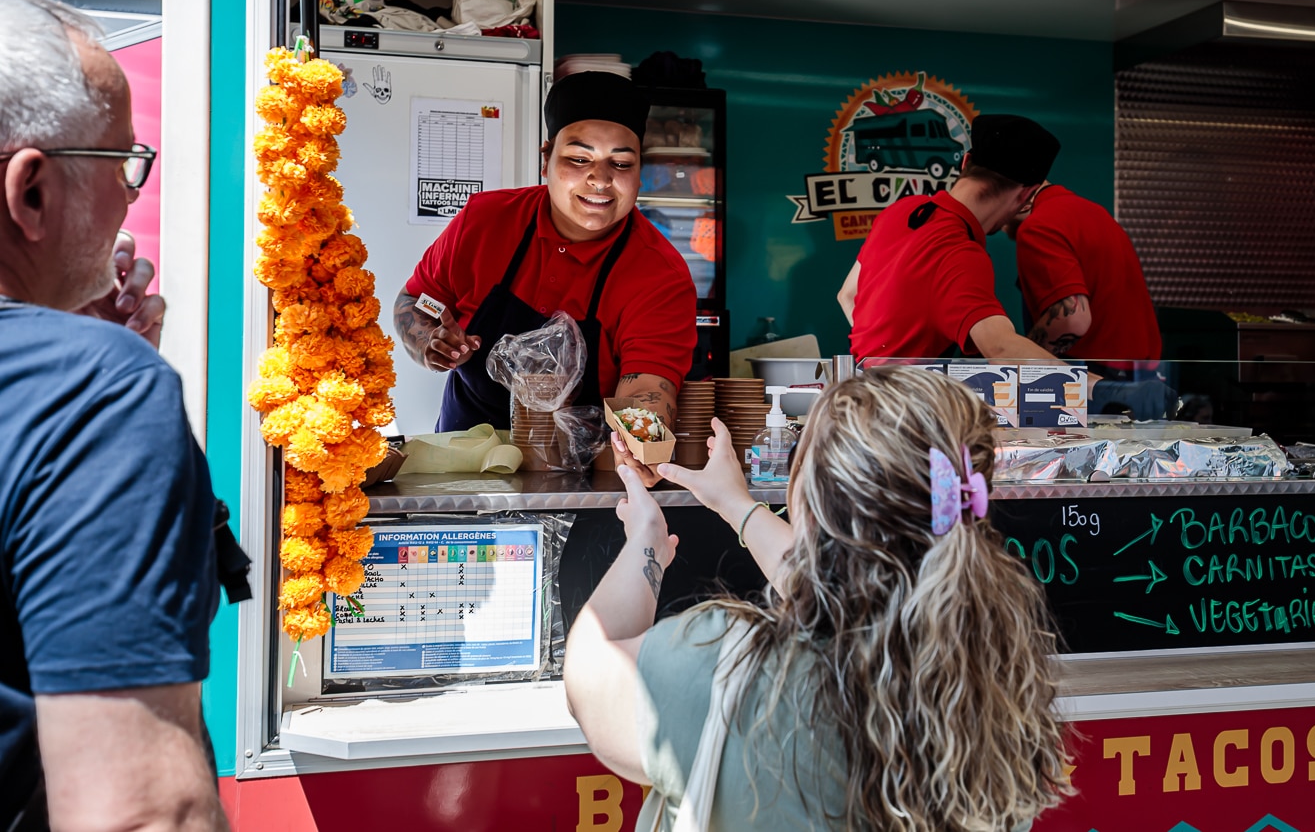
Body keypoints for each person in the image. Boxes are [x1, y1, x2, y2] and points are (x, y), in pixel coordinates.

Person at [565, 368, 1069, 831]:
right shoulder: (994, 687)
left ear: (808, 501)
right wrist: (736, 505)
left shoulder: (726, 670)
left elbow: (591, 669)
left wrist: (646, 542)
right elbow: (851, 578)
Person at [0, 0, 227, 830]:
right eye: (123, 161)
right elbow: (142, 813)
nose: (133, 196)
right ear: (30, 192)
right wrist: (97, 367)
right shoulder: (96, 391)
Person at [394, 72, 697, 472]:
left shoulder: (659, 274)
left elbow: (645, 391)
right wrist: (428, 340)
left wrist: (644, 450)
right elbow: (416, 301)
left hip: (581, 479)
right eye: (578, 158)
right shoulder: (485, 221)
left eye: (620, 163)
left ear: (639, 172)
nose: (601, 179)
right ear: (545, 159)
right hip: (466, 464)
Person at [843, 114, 1063, 362]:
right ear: (1027, 195)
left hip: (860, 388)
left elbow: (848, 295)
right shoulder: (961, 253)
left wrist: (879, 359)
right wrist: (1094, 385)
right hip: (908, 397)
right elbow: (1000, 347)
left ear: (965, 162)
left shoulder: (900, 211)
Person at [1003, 180, 1161, 370]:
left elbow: (1070, 319)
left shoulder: (1038, 226)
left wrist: (1020, 360)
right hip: (1142, 378)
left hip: (1092, 383)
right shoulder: (1095, 213)